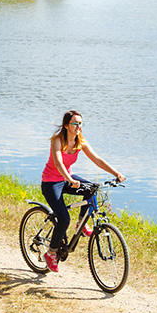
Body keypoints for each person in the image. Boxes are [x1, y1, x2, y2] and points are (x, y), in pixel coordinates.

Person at [41, 110, 124, 272]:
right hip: (51, 182)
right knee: (64, 219)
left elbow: (98, 160)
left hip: (68, 178)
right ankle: (51, 253)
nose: (78, 126)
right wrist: (71, 180)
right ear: (66, 126)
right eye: (75, 123)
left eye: (80, 123)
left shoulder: (80, 142)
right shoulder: (57, 141)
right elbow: (59, 163)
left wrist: (116, 173)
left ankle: (81, 222)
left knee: (92, 189)